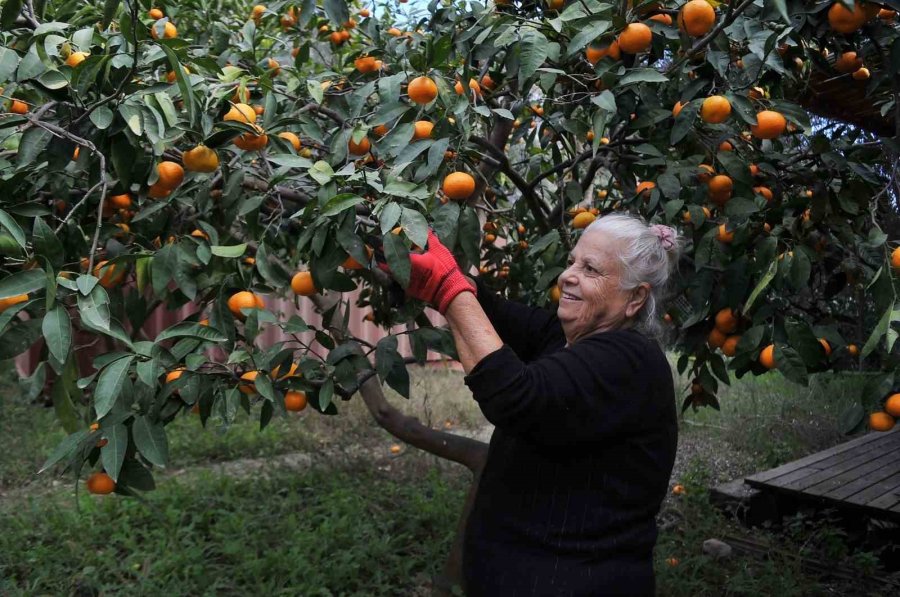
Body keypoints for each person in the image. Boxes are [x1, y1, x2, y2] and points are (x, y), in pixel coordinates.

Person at [383, 212, 680, 596]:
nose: (568, 275)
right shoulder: (568, 337)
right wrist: (431, 264)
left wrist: (449, 287)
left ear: (635, 297)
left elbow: (514, 396)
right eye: (572, 260)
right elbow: (500, 314)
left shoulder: (628, 361)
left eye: (590, 269)